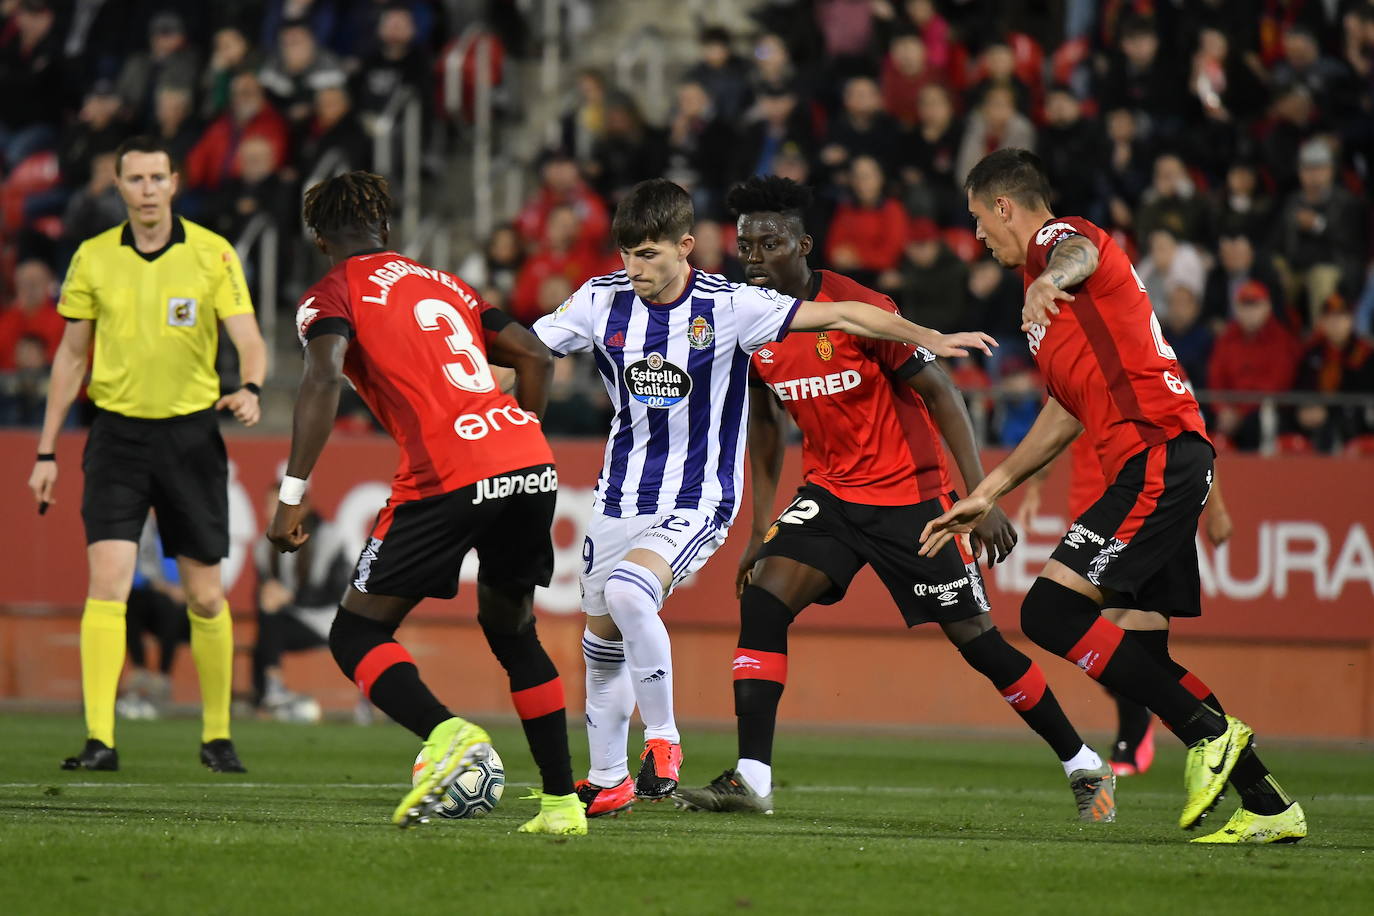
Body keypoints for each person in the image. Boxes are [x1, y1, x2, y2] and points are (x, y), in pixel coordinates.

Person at [530, 177, 994, 818]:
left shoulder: (730, 305)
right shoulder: (598, 301)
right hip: (617, 496)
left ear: (685, 247)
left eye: (650, 255)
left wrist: (928, 338)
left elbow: (844, 313)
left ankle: (664, 743)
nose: (636, 268)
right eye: (628, 254)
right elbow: (525, 350)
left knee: (628, 593)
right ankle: (609, 777)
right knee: (602, 643)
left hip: (696, 497)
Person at [674, 176, 1114, 821]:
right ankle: (752, 776)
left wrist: (980, 495)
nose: (755, 257)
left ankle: (1084, 765)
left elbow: (943, 394)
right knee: (765, 603)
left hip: (913, 502)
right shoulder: (747, 322)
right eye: (745, 245)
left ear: (804, 244)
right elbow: (765, 428)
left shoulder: (859, 308)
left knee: (979, 644)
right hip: (829, 496)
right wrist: (761, 528)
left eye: (769, 243)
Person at [921, 148, 1306, 844]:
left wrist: (1049, 281)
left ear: (1005, 206)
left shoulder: (1057, 248)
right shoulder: (1045, 313)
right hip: (1157, 461)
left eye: (980, 220)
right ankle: (1269, 804)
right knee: (1145, 661)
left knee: (1050, 611)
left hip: (1155, 457)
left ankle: (1210, 735)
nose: (978, 237)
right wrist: (988, 490)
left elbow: (1077, 251)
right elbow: (1064, 413)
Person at [268, 171, 585, 835]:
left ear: (320, 239)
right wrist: (515, 436)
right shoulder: (446, 283)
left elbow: (324, 378)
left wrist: (292, 492)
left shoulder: (332, 294)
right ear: (385, 227)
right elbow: (534, 355)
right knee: (511, 628)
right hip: (527, 459)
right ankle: (561, 806)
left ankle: (448, 735)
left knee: (356, 632)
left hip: (447, 471)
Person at [28, 135, 266, 774]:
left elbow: (248, 337)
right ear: (118, 185)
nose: (147, 189)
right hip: (117, 437)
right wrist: (47, 450)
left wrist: (250, 387)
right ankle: (100, 740)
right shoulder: (93, 258)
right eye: (135, 179)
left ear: (174, 181)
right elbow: (71, 356)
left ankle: (217, 736)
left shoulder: (212, 253)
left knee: (206, 597)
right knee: (106, 585)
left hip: (191, 438)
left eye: (157, 177)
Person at [1016, 433, 1236, 777]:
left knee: (1107, 640)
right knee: (1134, 654)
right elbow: (1054, 434)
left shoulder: (1151, 384)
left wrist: (1217, 508)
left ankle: (1144, 736)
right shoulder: (1080, 385)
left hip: (1144, 513)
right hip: (1099, 516)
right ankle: (1228, 746)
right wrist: (1033, 489)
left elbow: (1196, 439)